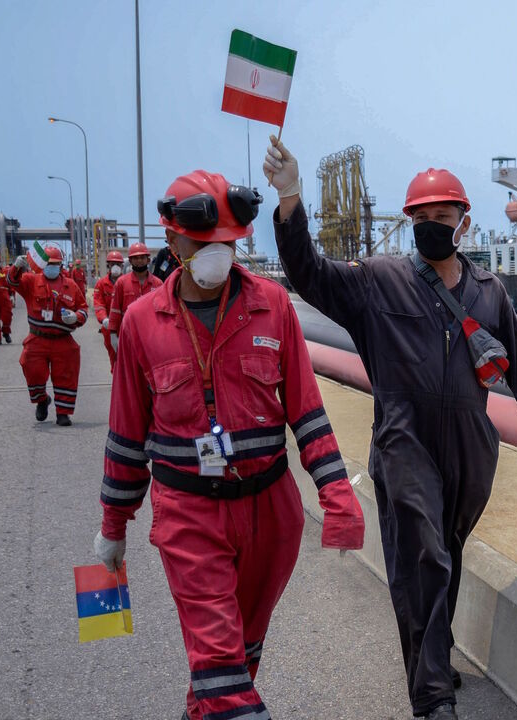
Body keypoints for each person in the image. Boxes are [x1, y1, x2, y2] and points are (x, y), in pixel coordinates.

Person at [267, 138, 517, 720]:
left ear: (464, 222)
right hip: (403, 438)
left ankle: (433, 658)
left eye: (443, 216)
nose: (433, 225)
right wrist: (290, 199)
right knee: (423, 557)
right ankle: (432, 697)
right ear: (409, 222)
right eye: (423, 218)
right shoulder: (377, 281)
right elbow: (307, 272)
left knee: (447, 554)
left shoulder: (489, 292)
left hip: (469, 445)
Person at [93, 170, 364, 720]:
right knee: (219, 659)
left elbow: (307, 413)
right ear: (173, 241)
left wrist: (338, 496)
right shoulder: (145, 322)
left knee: (238, 655)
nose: (219, 253)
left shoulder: (273, 306)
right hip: (189, 515)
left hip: (272, 513)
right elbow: (125, 438)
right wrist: (112, 526)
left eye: (228, 243)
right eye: (204, 243)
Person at [6, 245, 88, 426]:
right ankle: (42, 400)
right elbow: (12, 282)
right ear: (44, 265)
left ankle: (63, 413)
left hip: (62, 339)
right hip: (38, 338)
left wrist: (76, 317)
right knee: (33, 371)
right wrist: (16, 267)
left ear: (61, 265)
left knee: (66, 375)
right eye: (50, 263)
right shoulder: (30, 281)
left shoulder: (71, 285)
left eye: (56, 264)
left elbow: (84, 309)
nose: (53, 267)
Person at [106, 242, 162, 347]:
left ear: (148, 260)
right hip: (128, 334)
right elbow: (115, 310)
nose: (139, 261)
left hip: (152, 336)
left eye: (142, 257)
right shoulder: (121, 283)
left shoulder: (158, 284)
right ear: (130, 261)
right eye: (135, 258)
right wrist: (113, 334)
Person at [92, 250, 124, 370]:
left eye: (118, 264)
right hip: (109, 328)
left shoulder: (127, 282)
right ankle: (117, 384)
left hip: (126, 326)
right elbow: (99, 304)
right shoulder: (101, 284)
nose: (115, 267)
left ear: (122, 266)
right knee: (114, 357)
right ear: (108, 265)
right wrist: (104, 319)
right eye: (112, 264)